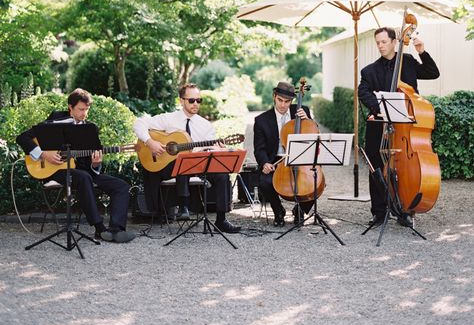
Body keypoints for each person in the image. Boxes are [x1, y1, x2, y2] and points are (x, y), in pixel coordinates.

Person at [16, 88, 135, 243]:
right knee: (84, 177)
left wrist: (95, 163)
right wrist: (44, 154)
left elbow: (93, 164)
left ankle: (116, 230)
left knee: (121, 186)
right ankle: (99, 229)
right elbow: (22, 138)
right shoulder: (55, 119)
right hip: (56, 170)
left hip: (84, 171)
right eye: (80, 109)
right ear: (70, 108)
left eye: (87, 109)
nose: (84, 113)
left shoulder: (90, 128)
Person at [358, 27, 440, 226]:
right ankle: (379, 211)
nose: (380, 45)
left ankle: (405, 209)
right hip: (379, 124)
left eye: (384, 42)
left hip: (405, 128)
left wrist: (421, 51)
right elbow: (363, 91)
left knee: (404, 167)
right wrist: (380, 109)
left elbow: (432, 73)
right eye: (377, 42)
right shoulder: (369, 70)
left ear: (395, 42)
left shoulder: (408, 62)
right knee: (376, 165)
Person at [133, 83, 241, 234]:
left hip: (198, 165)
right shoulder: (169, 119)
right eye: (191, 100)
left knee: (222, 174)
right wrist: (150, 142)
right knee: (182, 159)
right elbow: (139, 123)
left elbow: (209, 150)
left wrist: (216, 148)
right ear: (181, 101)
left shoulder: (205, 125)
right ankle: (183, 205)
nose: (196, 104)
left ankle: (221, 219)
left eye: (199, 100)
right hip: (169, 166)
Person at [253, 81, 315, 227]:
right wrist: (265, 163)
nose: (283, 105)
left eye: (287, 101)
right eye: (280, 100)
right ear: (274, 97)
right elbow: (259, 149)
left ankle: (300, 210)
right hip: (275, 160)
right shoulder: (261, 120)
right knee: (265, 182)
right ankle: (278, 211)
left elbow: (313, 134)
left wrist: (307, 120)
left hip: (299, 159)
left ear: (292, 101)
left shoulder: (301, 111)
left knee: (315, 181)